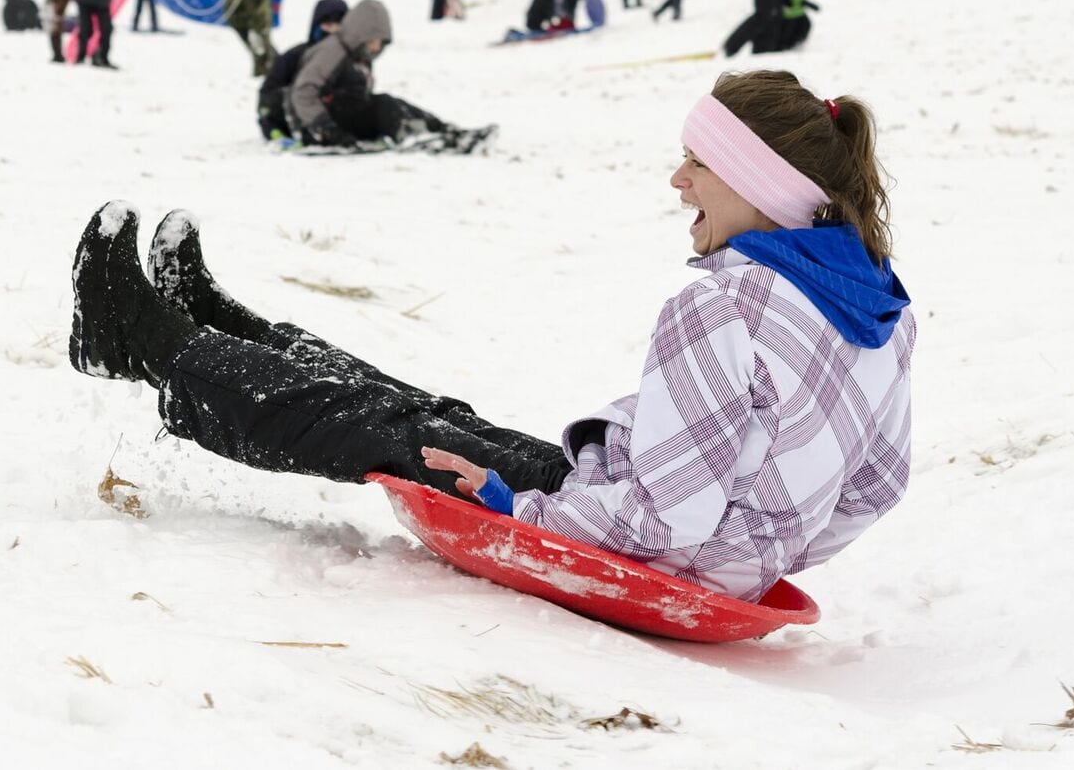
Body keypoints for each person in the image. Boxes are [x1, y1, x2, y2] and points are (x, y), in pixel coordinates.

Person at [65, 68, 914, 603]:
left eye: (700, 163)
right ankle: (221, 329)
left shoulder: (726, 307)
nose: (677, 178)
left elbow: (666, 523)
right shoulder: (876, 305)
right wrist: (759, 550)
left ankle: (147, 346)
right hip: (661, 534)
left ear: (762, 182)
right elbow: (874, 488)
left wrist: (525, 509)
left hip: (640, 555)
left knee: (390, 435)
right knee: (434, 415)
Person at [284, 0, 489, 152]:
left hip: (344, 116)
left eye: (381, 42)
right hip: (322, 125)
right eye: (373, 40)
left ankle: (444, 130)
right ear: (359, 34)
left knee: (395, 103)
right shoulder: (332, 50)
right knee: (383, 104)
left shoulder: (358, 55)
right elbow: (303, 91)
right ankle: (410, 135)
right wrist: (327, 129)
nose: (376, 47)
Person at [258, 0, 347, 141]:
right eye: (328, 24)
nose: (333, 31)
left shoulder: (350, 59)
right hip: (294, 120)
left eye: (339, 25)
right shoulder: (295, 56)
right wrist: (272, 127)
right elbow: (269, 92)